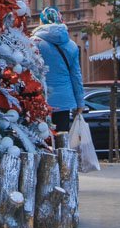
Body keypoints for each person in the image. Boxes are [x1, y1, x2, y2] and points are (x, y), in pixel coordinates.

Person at [31, 7, 85, 135]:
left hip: (41, 99)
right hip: (64, 100)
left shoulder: (34, 43)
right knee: (62, 137)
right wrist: (80, 102)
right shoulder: (71, 45)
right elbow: (76, 76)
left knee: (43, 138)